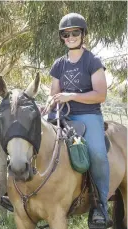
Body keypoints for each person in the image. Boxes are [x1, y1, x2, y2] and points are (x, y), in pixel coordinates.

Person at [46, 13, 110, 226]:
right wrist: (48, 102)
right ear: (62, 38)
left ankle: (101, 206)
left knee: (98, 155)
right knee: (34, 137)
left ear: (83, 34)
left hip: (88, 114)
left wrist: (71, 95)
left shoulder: (93, 61)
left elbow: (100, 94)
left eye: (75, 32)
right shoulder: (58, 64)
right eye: (66, 34)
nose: (71, 37)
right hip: (62, 114)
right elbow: (55, 92)